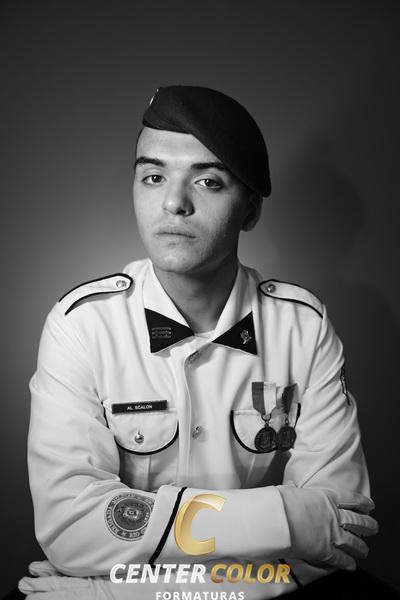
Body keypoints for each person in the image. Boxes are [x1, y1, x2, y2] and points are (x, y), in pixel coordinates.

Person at [18, 85, 380, 600]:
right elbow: (71, 529)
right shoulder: (81, 325)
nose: (173, 202)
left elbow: (340, 528)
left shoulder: (304, 327)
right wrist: (289, 519)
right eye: (153, 176)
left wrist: (118, 592)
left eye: (208, 181)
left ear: (250, 210)